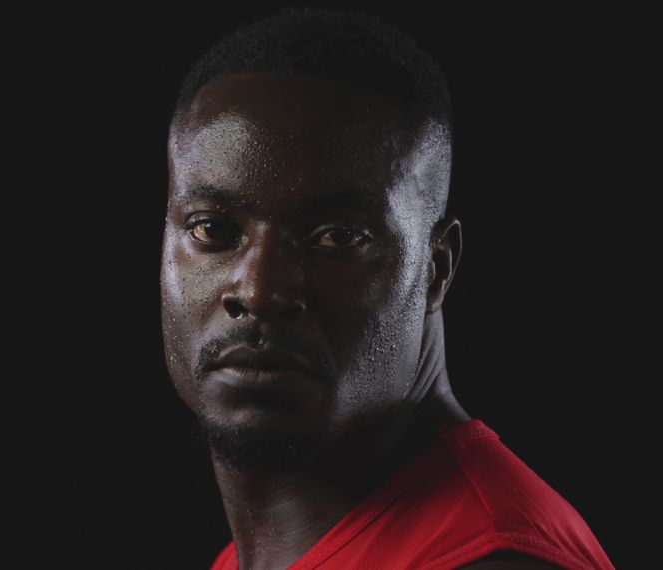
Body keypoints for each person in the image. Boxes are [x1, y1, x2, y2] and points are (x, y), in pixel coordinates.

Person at [159, 7, 613, 570]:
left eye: (337, 236)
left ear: (436, 267)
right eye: (212, 230)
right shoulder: (258, 557)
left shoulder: (489, 558)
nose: (258, 289)